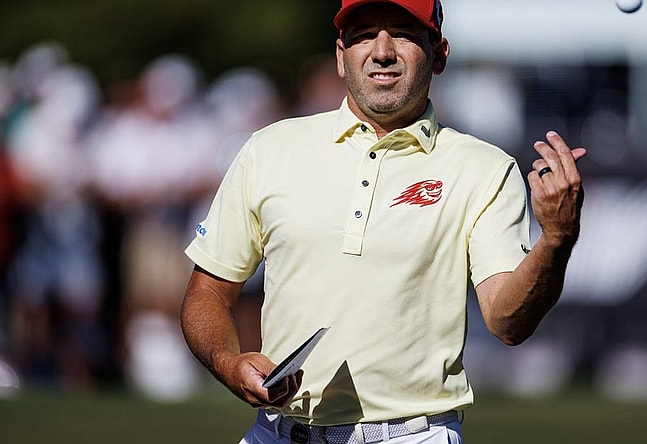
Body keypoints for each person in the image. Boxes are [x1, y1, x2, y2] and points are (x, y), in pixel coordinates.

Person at [181, 0, 586, 442]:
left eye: (404, 33)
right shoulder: (270, 148)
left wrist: (556, 238)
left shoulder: (484, 168)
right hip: (276, 432)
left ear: (439, 53)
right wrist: (228, 362)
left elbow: (508, 323)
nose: (382, 51)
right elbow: (208, 290)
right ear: (341, 56)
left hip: (411, 435)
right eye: (363, 34)